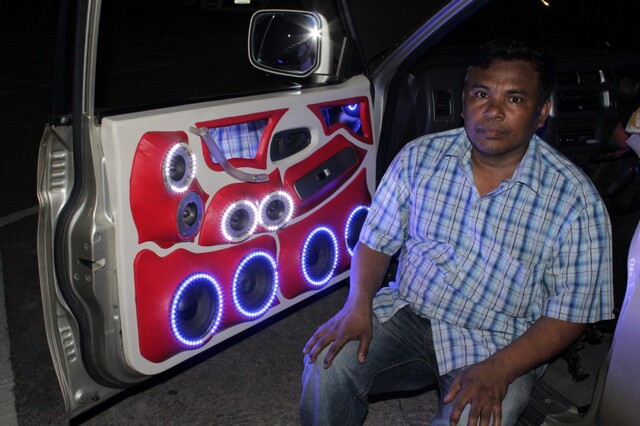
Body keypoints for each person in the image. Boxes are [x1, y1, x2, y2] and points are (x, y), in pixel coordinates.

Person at [300, 39, 614, 426]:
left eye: (515, 99)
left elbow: (572, 313)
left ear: (542, 112)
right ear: (464, 102)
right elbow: (375, 241)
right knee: (327, 361)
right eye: (481, 94)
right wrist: (357, 303)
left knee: (477, 419)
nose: (493, 111)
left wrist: (502, 368)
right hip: (408, 311)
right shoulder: (419, 157)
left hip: (500, 341)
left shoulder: (575, 200)